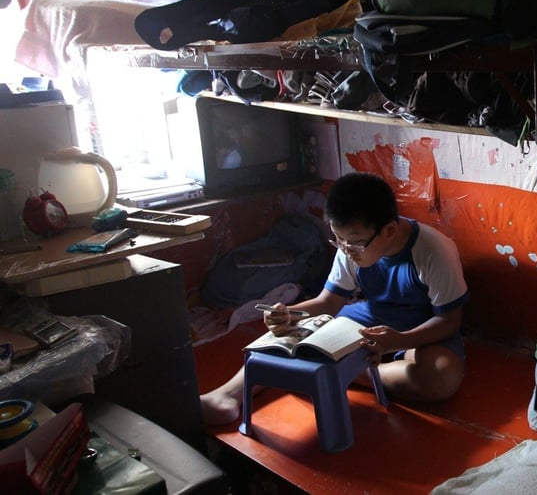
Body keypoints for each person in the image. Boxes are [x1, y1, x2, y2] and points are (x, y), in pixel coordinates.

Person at [200, 171, 470, 425]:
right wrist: (289, 314)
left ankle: (344, 370)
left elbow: (449, 321)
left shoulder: (433, 250)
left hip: (421, 329)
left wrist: (398, 340)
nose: (346, 250)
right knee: (290, 333)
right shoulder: (350, 244)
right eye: (338, 240)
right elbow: (328, 302)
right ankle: (228, 394)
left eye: (353, 242)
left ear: (389, 230)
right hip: (369, 318)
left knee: (440, 377)